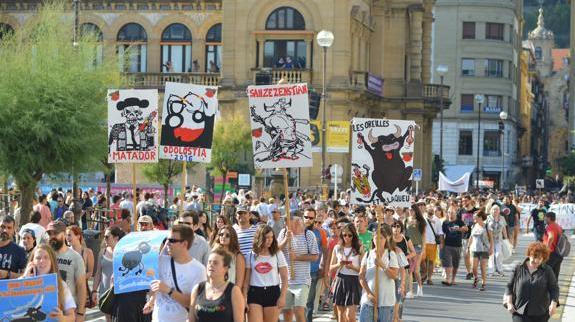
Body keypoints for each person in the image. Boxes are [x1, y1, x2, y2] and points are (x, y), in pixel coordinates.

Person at [143, 224, 207, 322]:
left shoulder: (199, 270)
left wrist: (169, 291)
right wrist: (151, 299)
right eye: (167, 240)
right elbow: (151, 288)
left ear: (184, 244)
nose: (167, 243)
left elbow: (195, 304)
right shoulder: (160, 261)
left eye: (172, 240)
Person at [504, 242, 559, 322]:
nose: (536, 261)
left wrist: (553, 304)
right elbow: (509, 286)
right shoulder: (518, 268)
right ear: (529, 255)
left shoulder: (547, 270)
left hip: (540, 313)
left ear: (543, 259)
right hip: (519, 312)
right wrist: (509, 303)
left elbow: (554, 288)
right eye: (534, 258)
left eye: (539, 259)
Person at [243, 225, 288, 322]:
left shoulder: (277, 254)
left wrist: (283, 296)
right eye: (266, 237)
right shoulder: (250, 255)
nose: (270, 240)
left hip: (273, 292)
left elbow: (284, 277)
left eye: (271, 237)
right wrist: (244, 298)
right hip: (254, 293)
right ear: (260, 237)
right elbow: (246, 280)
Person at [278, 216, 319, 322]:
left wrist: (297, 257)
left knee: (299, 310)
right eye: (287, 225)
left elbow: (315, 256)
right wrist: (286, 239)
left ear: (298, 223)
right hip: (285, 280)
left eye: (291, 225)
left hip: (302, 280)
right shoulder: (283, 233)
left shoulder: (308, 235)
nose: (289, 227)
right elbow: (276, 251)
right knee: (286, 311)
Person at [22, 244, 77, 321]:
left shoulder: (61, 285)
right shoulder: (21, 282)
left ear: (52, 261)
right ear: (32, 261)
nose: (42, 261)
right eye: (38, 258)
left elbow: (72, 317)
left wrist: (62, 318)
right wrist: (23, 279)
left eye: (46, 257)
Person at [189, 249, 245, 322]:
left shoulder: (234, 291)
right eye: (209, 262)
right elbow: (190, 319)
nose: (211, 265)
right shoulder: (197, 289)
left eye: (215, 263)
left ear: (225, 268)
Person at [46, 220, 87, 320]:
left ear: (64, 234)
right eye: (50, 234)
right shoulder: (44, 255)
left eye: (55, 233)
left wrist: (80, 313)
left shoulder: (75, 257)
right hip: (47, 309)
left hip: (68, 312)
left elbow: (81, 286)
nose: (52, 236)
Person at [358, 225, 399, 322]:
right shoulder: (368, 254)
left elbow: (394, 275)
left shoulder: (390, 254)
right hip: (368, 300)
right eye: (376, 237)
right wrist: (368, 293)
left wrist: (383, 265)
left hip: (386, 300)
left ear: (386, 240)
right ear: (373, 239)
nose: (379, 240)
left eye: (381, 238)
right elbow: (361, 276)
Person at [330, 223, 362, 322]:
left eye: (350, 235)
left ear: (354, 235)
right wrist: (339, 264)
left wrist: (353, 267)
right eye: (344, 235)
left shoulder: (359, 248)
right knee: (341, 316)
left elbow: (362, 269)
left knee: (350, 316)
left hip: (354, 281)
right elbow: (331, 268)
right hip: (340, 279)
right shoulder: (337, 248)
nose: (347, 237)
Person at [92, 227, 125, 322]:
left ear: (116, 238)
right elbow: (98, 272)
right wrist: (94, 291)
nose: (104, 239)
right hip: (105, 292)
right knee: (108, 319)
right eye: (104, 237)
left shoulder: (123, 253)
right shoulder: (103, 252)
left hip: (119, 293)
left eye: (107, 237)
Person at [391, 220, 415, 321]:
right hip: (392, 270)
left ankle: (398, 317)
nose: (396, 228)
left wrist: (405, 257)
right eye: (394, 226)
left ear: (401, 228)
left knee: (402, 295)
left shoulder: (406, 239)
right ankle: (394, 317)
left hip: (403, 270)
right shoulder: (388, 239)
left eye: (398, 226)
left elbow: (413, 252)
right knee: (392, 294)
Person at [66, 226, 95, 310]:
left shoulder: (87, 252)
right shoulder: (65, 252)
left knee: (80, 315)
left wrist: (77, 279)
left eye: (69, 235)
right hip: (68, 289)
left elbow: (90, 273)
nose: (67, 238)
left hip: (81, 289)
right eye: (66, 235)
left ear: (78, 236)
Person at [440, 207, 467, 286]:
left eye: (452, 212)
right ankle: (448, 279)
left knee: (455, 264)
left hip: (457, 245)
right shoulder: (445, 222)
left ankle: (453, 279)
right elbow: (442, 233)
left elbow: (466, 229)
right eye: (448, 212)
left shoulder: (459, 221)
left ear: (455, 213)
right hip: (447, 245)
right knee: (448, 263)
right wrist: (442, 243)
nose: (450, 214)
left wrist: (458, 229)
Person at [404, 205, 426, 298]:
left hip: (417, 247)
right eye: (409, 210)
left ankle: (420, 287)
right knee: (409, 269)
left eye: (412, 210)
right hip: (408, 246)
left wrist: (424, 248)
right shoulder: (406, 220)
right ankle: (410, 291)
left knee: (416, 270)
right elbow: (404, 233)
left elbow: (424, 236)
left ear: (416, 211)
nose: (411, 211)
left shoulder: (421, 221)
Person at [468, 210, 492, 291]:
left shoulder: (487, 226)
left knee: (483, 268)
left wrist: (491, 248)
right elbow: (471, 237)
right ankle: (476, 278)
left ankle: (483, 283)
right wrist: (468, 247)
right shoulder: (474, 226)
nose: (474, 218)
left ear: (481, 218)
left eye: (476, 217)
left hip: (484, 249)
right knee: (473, 267)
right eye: (474, 217)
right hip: (474, 249)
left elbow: (491, 238)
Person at [422, 202, 443, 287]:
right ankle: (424, 274)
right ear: (426, 209)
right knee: (422, 260)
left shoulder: (437, 219)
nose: (430, 209)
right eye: (429, 208)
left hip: (433, 243)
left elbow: (440, 232)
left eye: (432, 208)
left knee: (431, 261)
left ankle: (429, 278)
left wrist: (441, 243)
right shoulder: (422, 218)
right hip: (423, 243)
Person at [457, 194, 477, 280]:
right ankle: (469, 272)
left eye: (465, 201)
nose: (463, 202)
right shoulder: (460, 211)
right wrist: (461, 228)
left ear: (469, 200)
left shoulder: (476, 211)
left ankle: (473, 270)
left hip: (475, 236)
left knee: (473, 255)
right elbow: (457, 223)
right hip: (465, 236)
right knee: (466, 254)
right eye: (462, 201)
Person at [0, 215, 27, 279]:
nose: (5, 230)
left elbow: (25, 276)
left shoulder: (19, 251)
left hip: (9, 288)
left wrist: (8, 274)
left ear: (13, 230)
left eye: (9, 228)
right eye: (2, 227)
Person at [486, 204, 508, 276]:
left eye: (497, 209)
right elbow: (484, 228)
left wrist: (506, 239)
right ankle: (490, 271)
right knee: (491, 255)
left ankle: (500, 270)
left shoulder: (502, 218)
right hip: (489, 239)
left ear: (499, 211)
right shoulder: (488, 218)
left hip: (499, 239)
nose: (495, 211)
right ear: (491, 210)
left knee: (498, 254)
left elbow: (504, 228)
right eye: (493, 209)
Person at [543, 212, 563, 279]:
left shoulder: (550, 226)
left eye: (545, 217)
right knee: (555, 275)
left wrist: (547, 250)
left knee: (546, 273)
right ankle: (554, 289)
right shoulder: (558, 226)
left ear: (549, 218)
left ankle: (546, 289)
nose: (544, 218)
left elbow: (551, 237)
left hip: (551, 253)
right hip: (559, 253)